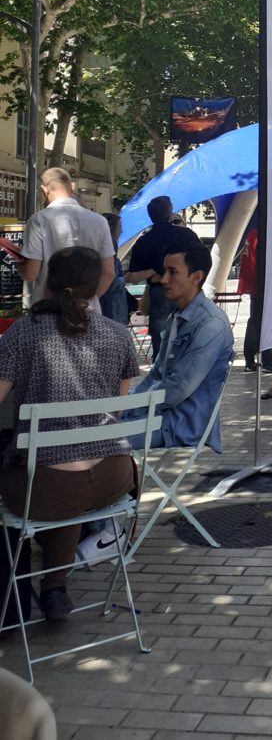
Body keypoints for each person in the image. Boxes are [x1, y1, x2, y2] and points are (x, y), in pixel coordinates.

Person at [0, 247, 139, 621]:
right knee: (68, 476)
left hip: (46, 486)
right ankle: (54, 587)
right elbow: (120, 408)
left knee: (41, 475)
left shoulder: (22, 334)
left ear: (48, 280)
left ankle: (19, 595)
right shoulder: (118, 335)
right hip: (113, 478)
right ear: (96, 288)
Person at [122, 241, 233, 451]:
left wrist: (126, 409)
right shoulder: (177, 316)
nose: (163, 279)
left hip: (180, 426)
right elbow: (156, 374)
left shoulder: (211, 324)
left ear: (196, 277)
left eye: (173, 272)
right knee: (86, 433)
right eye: (164, 271)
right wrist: (123, 406)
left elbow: (177, 389)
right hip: (159, 418)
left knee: (93, 440)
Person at [16, 168, 115, 314]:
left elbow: (31, 274)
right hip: (87, 311)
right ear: (72, 188)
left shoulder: (39, 220)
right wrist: (88, 298)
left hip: (48, 310)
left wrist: (20, 262)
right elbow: (109, 273)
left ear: (44, 190)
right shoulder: (100, 222)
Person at [125, 196, 203, 359]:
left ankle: (161, 375)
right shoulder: (186, 235)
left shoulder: (144, 241)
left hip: (159, 291)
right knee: (188, 337)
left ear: (150, 216)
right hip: (185, 291)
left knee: (160, 345)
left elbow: (132, 277)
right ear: (170, 215)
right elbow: (202, 260)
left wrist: (155, 271)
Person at [237, 227, 272, 375]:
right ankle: (267, 360)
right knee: (263, 322)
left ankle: (250, 359)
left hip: (254, 284)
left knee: (255, 320)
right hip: (263, 285)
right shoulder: (265, 235)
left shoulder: (253, 233)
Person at [99, 213, 129, 325]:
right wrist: (125, 279)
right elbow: (110, 280)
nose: (121, 232)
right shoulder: (108, 251)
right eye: (119, 228)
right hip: (113, 312)